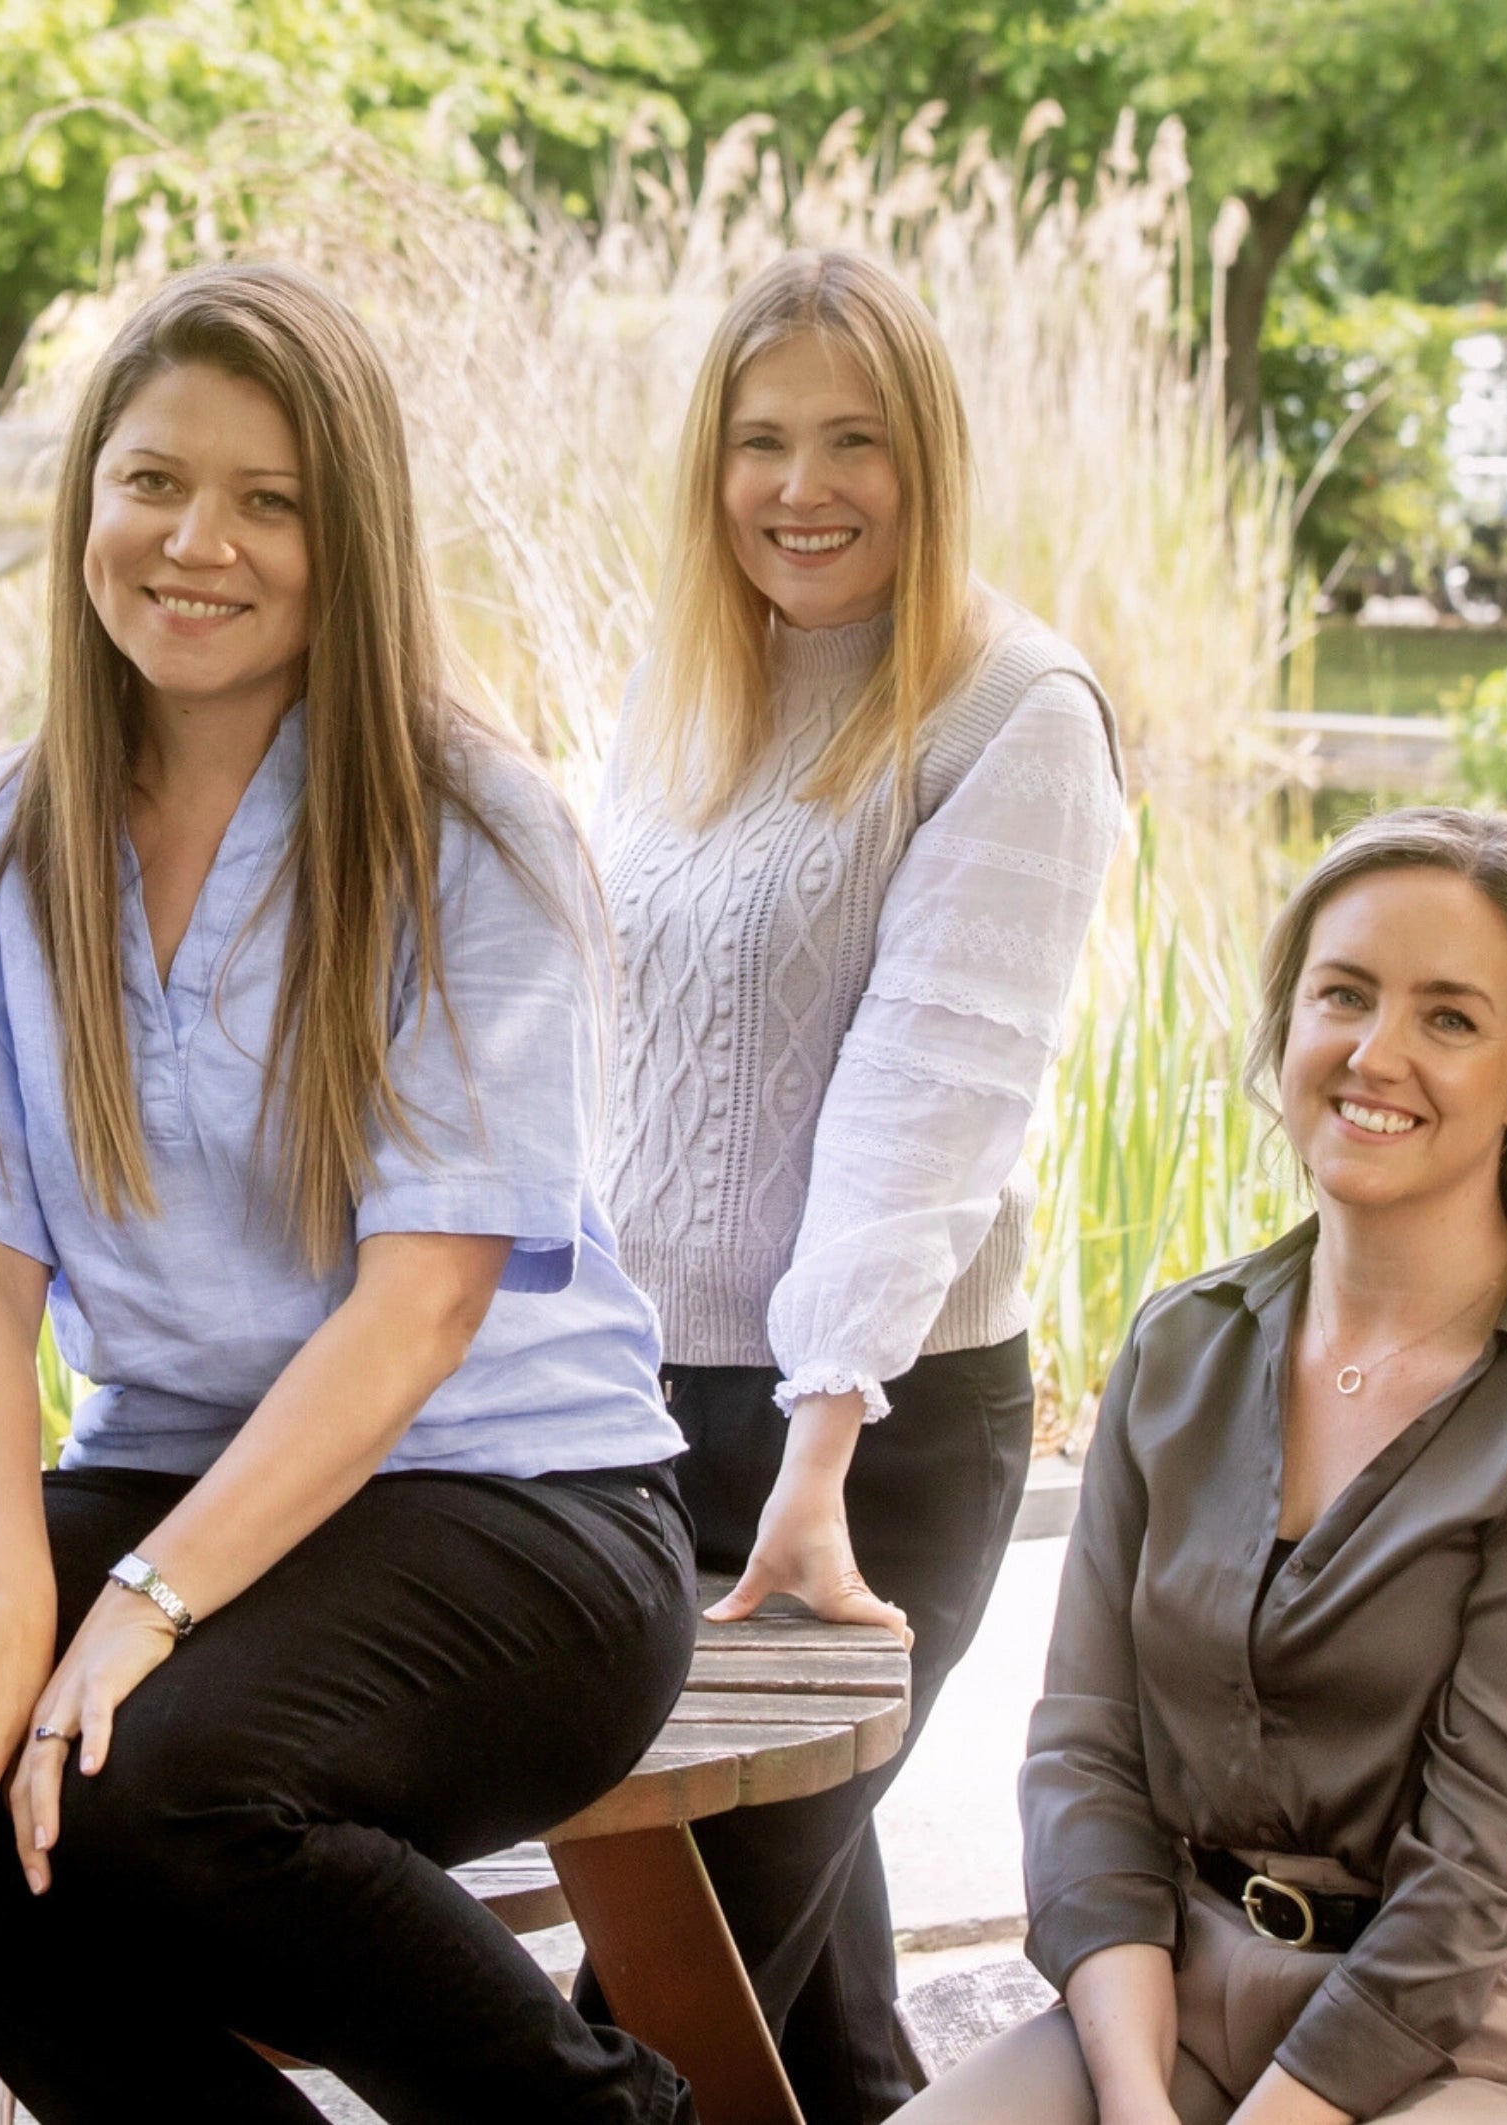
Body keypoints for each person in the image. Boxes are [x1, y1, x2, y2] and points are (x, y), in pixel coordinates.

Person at [0, 261, 699, 2124]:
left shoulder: (471, 829)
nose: (198, 543)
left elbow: (423, 1305)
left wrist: (134, 1609)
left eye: (269, 501)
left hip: (518, 1507)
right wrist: (8, 1582)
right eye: (153, 480)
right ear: (87, 492)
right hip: (166, 1463)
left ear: (352, 537)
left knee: (150, 1769)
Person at [900, 806, 1507, 2124]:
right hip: (1185, 1995)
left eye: (1448, 1017)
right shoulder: (1182, 1348)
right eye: (1341, 994)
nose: (1374, 1050)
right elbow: (1085, 1752)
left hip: (1503, 2019)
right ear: (1286, 1026)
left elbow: (1480, 1879)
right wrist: (1128, 2094)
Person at [588, 244, 1124, 2110]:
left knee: (659, 1972)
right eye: (759, 442)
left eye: (852, 441)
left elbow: (934, 1099)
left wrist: (815, 1453)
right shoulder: (684, 685)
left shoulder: (1012, 713)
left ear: (930, 457)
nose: (799, 490)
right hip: (637, 1413)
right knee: (783, 2006)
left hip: (870, 1436)